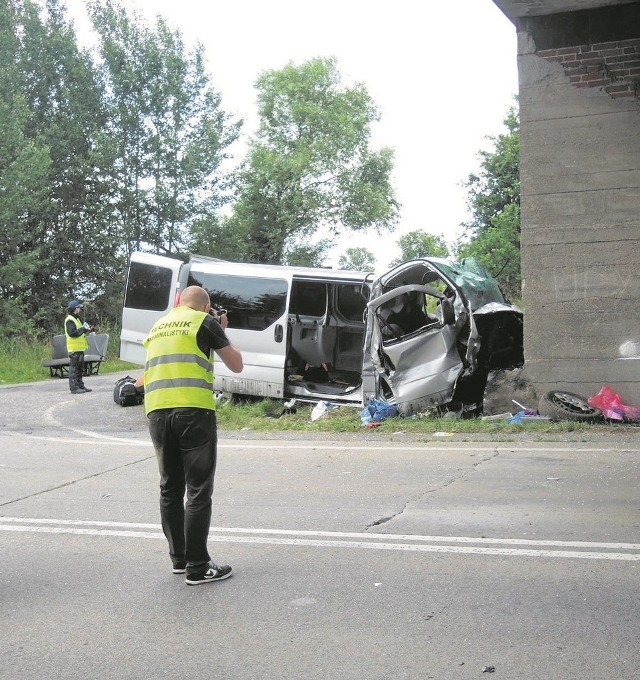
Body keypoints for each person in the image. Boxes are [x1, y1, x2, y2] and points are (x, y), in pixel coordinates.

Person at [143, 285, 243, 586]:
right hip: (194, 412)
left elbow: (147, 373)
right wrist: (222, 330)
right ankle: (198, 568)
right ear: (205, 307)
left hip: (157, 413)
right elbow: (236, 365)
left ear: (177, 302)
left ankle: (180, 558)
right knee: (197, 490)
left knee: (169, 488)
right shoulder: (204, 322)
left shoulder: (157, 327)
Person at [65, 300, 93, 394]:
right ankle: (74, 388)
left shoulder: (76, 319)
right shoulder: (69, 320)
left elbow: (80, 332)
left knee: (80, 368)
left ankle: (80, 385)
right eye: (78, 308)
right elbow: (72, 333)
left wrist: (85, 330)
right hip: (74, 349)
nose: (79, 309)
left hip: (80, 348)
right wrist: (83, 329)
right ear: (74, 309)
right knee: (74, 369)